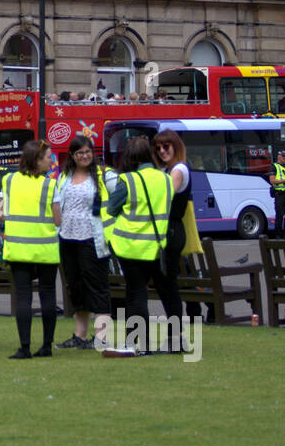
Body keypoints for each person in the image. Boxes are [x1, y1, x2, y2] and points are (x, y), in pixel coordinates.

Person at [106, 135, 181, 354]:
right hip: (158, 246)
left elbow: (112, 208)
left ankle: (139, 343)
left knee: (136, 295)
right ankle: (176, 340)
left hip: (131, 245)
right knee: (169, 292)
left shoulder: (128, 180)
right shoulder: (166, 179)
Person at [0, 140, 61, 358]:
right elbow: (58, 219)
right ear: (37, 160)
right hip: (46, 248)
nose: (51, 162)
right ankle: (47, 346)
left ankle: (24, 347)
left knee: (23, 298)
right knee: (48, 296)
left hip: (18, 248)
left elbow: (2, 210)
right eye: (48, 158)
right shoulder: (50, 185)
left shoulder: (10, 180)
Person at [54, 135, 116, 351]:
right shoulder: (65, 176)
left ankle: (102, 337)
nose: (85, 156)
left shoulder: (104, 175)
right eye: (80, 152)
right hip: (68, 237)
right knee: (76, 287)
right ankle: (79, 335)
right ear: (72, 155)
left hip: (94, 238)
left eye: (88, 152)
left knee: (98, 287)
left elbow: (120, 199)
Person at [154, 129, 206, 323]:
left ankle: (186, 321)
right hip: (169, 230)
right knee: (169, 281)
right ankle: (191, 316)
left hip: (173, 230)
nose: (161, 151)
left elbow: (166, 195)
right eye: (158, 148)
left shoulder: (178, 170)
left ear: (175, 146)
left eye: (165, 146)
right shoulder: (166, 170)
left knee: (170, 283)